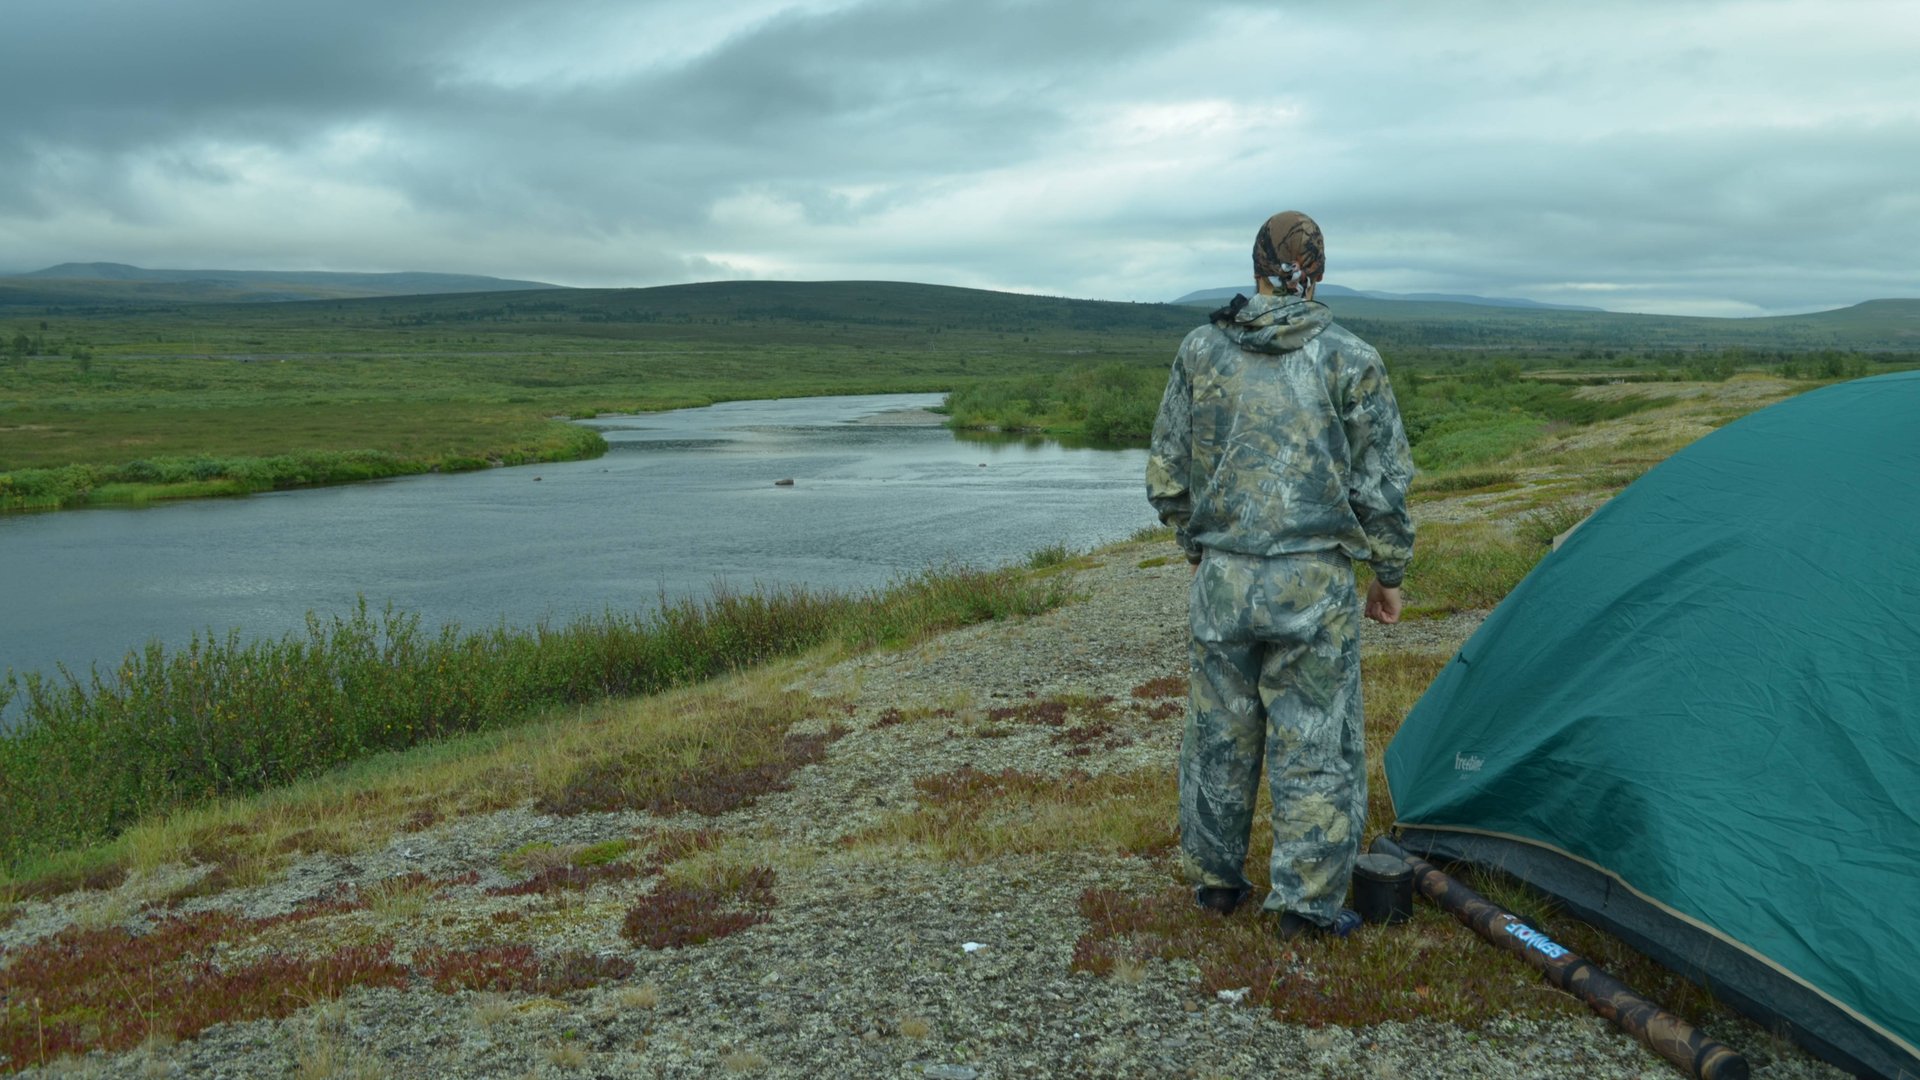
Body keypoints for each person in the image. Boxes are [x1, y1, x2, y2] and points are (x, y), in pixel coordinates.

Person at [1146, 211, 1415, 941]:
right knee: (1316, 740)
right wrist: (1388, 571)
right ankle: (1304, 905)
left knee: (1218, 735)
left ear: (1256, 266)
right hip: (1314, 585)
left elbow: (1168, 471)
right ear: (1318, 268)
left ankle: (1215, 883)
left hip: (1224, 580)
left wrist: (1195, 543)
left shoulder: (1201, 350)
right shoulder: (1351, 358)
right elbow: (1382, 482)